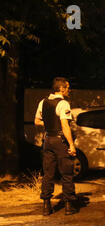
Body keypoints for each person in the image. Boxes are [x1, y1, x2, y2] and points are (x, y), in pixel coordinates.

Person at [34, 77, 77, 215]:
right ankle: (69, 206)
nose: (69, 90)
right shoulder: (63, 104)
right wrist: (71, 144)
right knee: (67, 173)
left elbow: (36, 121)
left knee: (48, 174)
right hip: (60, 141)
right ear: (61, 88)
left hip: (47, 140)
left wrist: (49, 124)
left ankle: (46, 206)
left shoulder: (43, 102)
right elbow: (65, 125)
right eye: (68, 87)